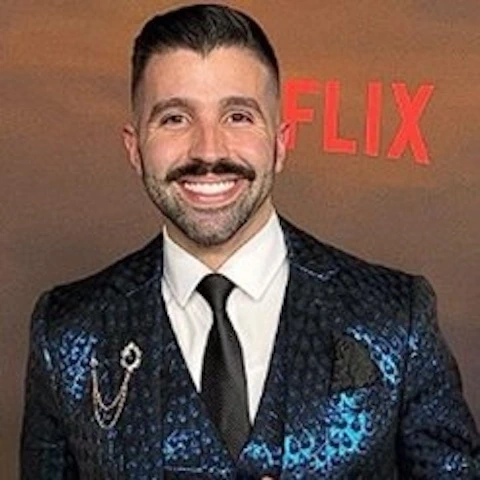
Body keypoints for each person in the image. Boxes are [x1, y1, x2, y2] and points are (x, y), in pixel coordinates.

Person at [20, 4, 479, 479]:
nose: (209, 150)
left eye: (238, 116)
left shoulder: (395, 317)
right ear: (135, 149)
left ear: (280, 143)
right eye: (175, 119)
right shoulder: (68, 333)